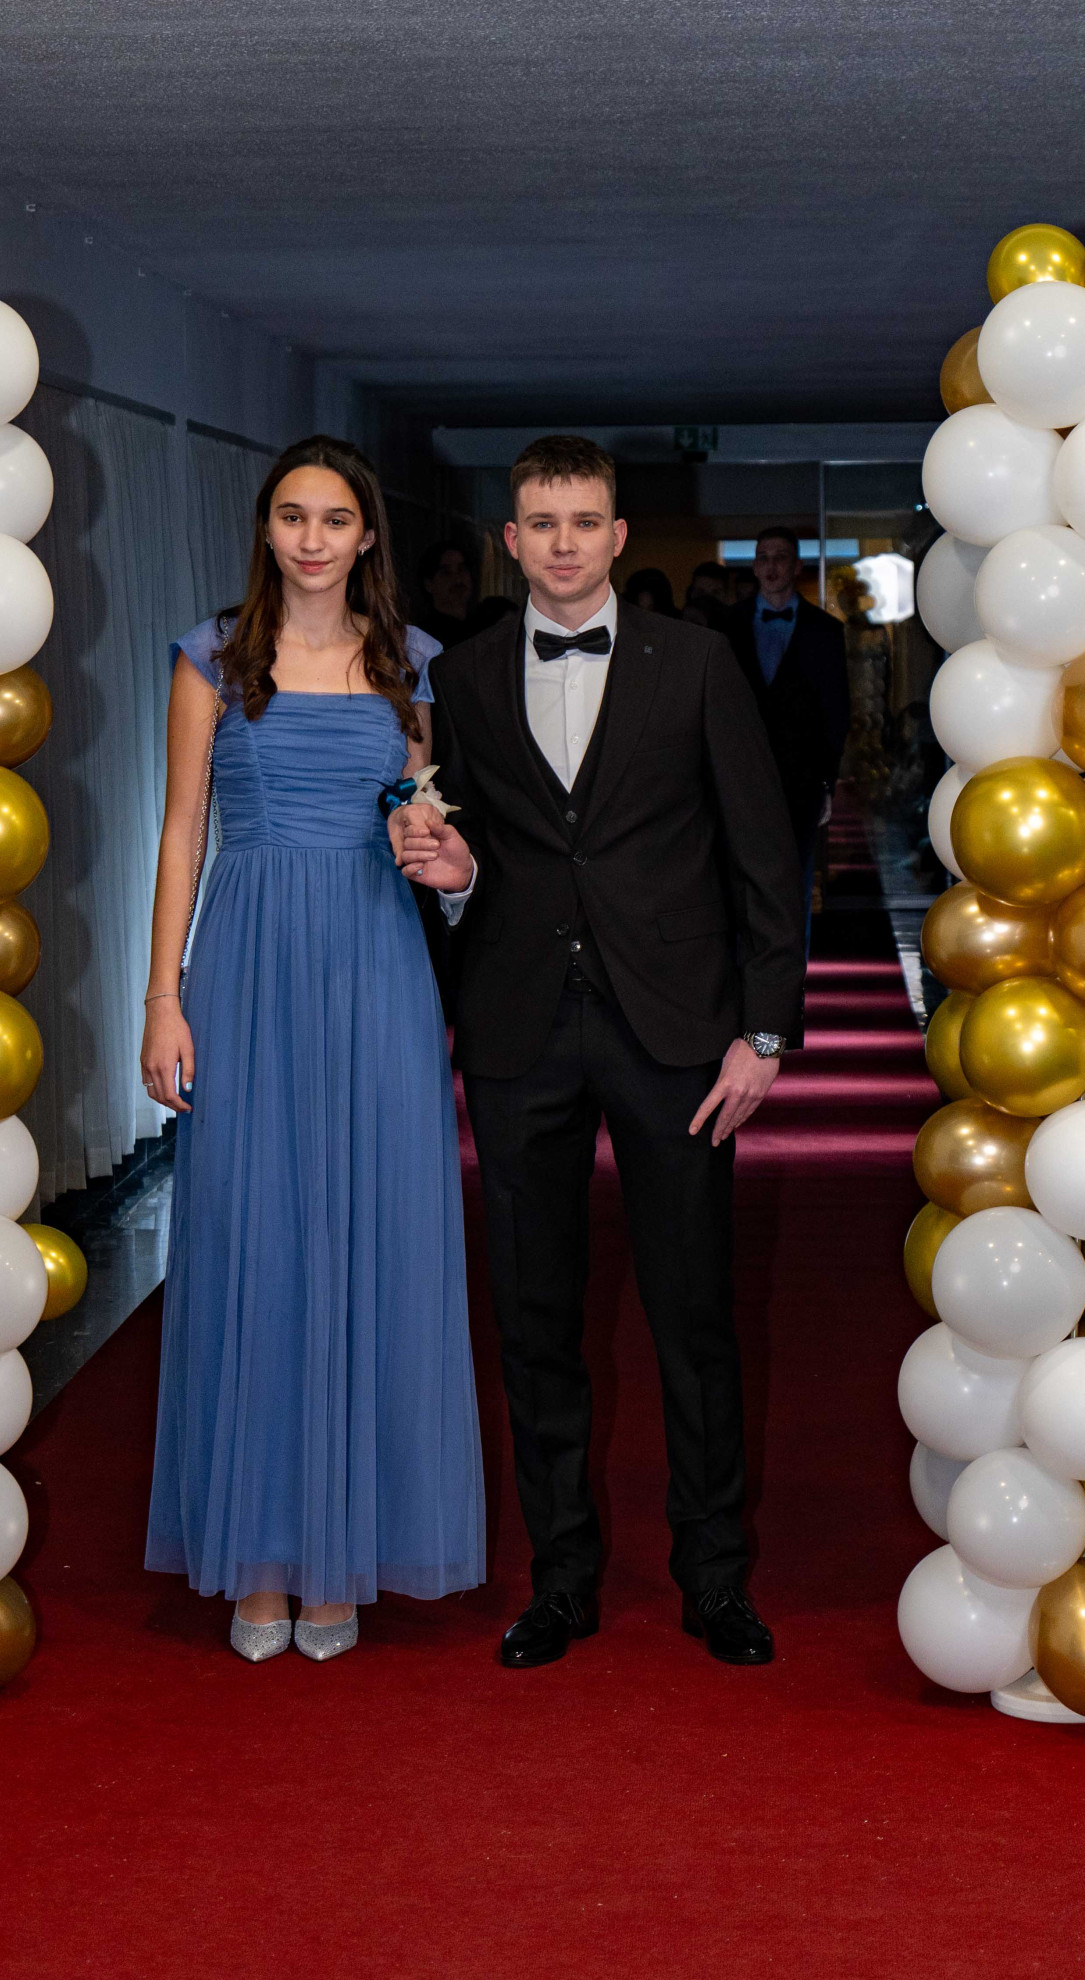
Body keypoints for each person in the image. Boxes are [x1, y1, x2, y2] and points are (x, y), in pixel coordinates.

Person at [393, 436, 805, 1671]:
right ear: (509, 541)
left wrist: (764, 1030)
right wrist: (452, 877)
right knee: (535, 1319)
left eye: (584, 521)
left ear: (618, 536)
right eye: (541, 522)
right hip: (520, 1027)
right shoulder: (463, 676)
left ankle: (715, 1577)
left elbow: (764, 851)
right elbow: (461, 853)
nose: (563, 542)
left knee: (694, 1314)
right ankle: (561, 1578)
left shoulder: (697, 662)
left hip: (675, 1028)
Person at [142, 435, 484, 1665]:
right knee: (258, 1234)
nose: (312, 538)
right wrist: (162, 999)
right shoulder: (212, 655)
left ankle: (341, 1550)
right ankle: (264, 1556)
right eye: (292, 515)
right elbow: (182, 831)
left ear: (367, 534)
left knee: (367, 1234)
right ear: (267, 527)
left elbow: (420, 819)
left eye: (335, 518)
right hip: (245, 962)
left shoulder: (410, 663)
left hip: (375, 963)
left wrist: (443, 861)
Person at [722, 526, 851, 927]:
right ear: (754, 566)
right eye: (763, 558)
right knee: (738, 881)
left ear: (796, 566)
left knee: (796, 881)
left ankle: (791, 964)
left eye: (780, 558)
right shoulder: (725, 625)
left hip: (801, 777)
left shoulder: (825, 630)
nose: (771, 566)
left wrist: (827, 780)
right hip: (738, 775)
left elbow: (836, 709)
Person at [416, 539, 477, 647]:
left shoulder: (482, 626)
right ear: (429, 584)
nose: (458, 580)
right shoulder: (423, 639)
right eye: (446, 573)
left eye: (461, 569)